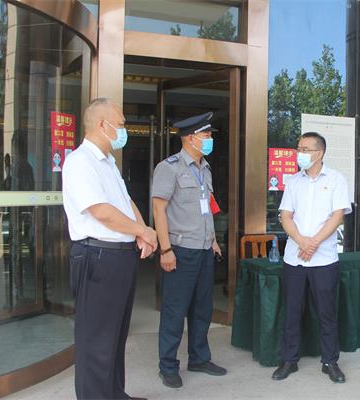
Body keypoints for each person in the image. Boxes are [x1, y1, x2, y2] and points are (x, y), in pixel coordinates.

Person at [62, 97, 157, 400]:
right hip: (97, 256)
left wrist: (142, 232)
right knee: (96, 340)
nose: (124, 130)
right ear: (103, 125)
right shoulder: (80, 162)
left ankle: (115, 394)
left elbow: (125, 202)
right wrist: (142, 231)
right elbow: (100, 211)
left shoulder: (109, 163)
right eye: (121, 124)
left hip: (119, 257)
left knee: (115, 335)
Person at [152, 111, 226, 389]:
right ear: (190, 138)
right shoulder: (169, 168)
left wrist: (213, 239)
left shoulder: (205, 168)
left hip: (204, 249)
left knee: (202, 309)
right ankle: (168, 366)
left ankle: (199, 358)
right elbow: (158, 210)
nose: (209, 139)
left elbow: (206, 208)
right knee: (175, 311)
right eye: (205, 135)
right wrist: (165, 250)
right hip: (181, 250)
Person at [272, 131, 352, 383]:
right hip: (294, 258)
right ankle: (289, 360)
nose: (300, 154)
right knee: (292, 311)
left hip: (324, 259)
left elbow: (338, 216)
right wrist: (301, 241)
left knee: (327, 312)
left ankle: (330, 362)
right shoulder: (293, 181)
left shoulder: (337, 179)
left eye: (305, 149)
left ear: (320, 152)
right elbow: (285, 216)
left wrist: (314, 242)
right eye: (299, 149)